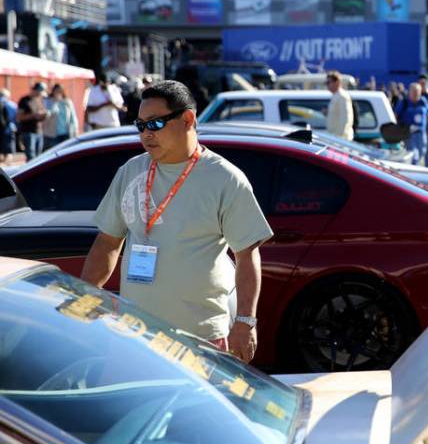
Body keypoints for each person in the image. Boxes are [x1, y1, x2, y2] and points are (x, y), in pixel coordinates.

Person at [82, 80, 273, 361]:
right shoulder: (131, 171)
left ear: (188, 119)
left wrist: (245, 322)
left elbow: (246, 255)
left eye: (155, 124)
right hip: (135, 335)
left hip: (200, 338)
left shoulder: (225, 178)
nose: (146, 134)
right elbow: (108, 243)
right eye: (140, 125)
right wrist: (87, 296)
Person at [395, 83, 428, 166]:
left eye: (417, 92)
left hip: (421, 133)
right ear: (410, 92)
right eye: (414, 92)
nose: (416, 94)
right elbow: (396, 116)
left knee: (421, 152)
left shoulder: (423, 101)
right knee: (413, 155)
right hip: (408, 134)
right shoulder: (404, 102)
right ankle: (413, 172)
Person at [16, 83, 49, 161]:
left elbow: (41, 114)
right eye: (39, 92)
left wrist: (44, 115)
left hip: (39, 132)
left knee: (39, 158)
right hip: (28, 132)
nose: (40, 94)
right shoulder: (24, 100)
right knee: (31, 158)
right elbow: (19, 117)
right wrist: (34, 115)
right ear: (34, 90)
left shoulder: (40, 100)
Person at [42, 84, 79, 150]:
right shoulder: (48, 101)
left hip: (65, 133)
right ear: (53, 91)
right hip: (52, 134)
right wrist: (55, 102)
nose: (58, 93)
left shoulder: (67, 102)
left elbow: (72, 117)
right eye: (56, 91)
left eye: (60, 91)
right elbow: (48, 114)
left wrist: (75, 129)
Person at [325, 70, 355, 141]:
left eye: (329, 82)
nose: (327, 85)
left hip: (341, 140)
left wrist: (340, 138)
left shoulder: (342, 96)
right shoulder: (336, 96)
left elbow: (346, 118)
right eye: (326, 83)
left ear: (337, 82)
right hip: (335, 138)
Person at [0, 89, 17, 164]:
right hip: (8, 129)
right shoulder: (11, 105)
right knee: (9, 150)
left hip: (6, 129)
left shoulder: (10, 105)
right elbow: (15, 117)